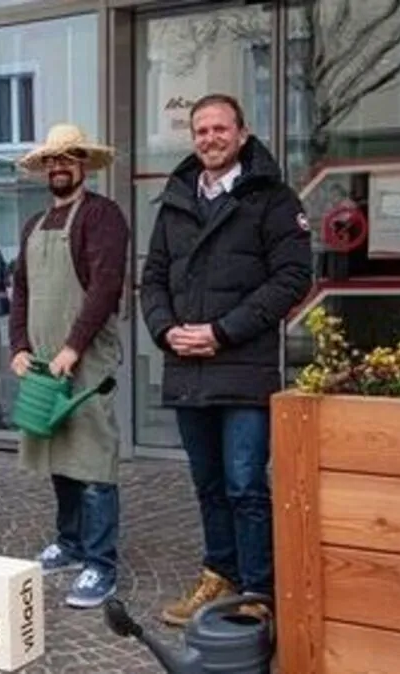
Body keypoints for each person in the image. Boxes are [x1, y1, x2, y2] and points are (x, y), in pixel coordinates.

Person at [139, 93, 312, 624]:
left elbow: (291, 278)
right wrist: (168, 331)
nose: (210, 138)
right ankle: (220, 575)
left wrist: (222, 332)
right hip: (188, 365)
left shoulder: (273, 198)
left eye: (220, 129)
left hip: (243, 365)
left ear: (241, 133)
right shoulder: (175, 201)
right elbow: (152, 279)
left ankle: (259, 591)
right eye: (200, 131)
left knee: (244, 483)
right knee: (208, 483)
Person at [9, 123, 129, 609]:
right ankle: (72, 541)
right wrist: (18, 344)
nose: (59, 167)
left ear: (83, 166)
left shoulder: (102, 217)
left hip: (84, 359)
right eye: (51, 161)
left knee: (93, 459)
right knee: (58, 453)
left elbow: (104, 289)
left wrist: (72, 349)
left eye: (68, 159)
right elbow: (21, 289)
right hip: (41, 361)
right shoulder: (33, 224)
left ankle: (101, 563)